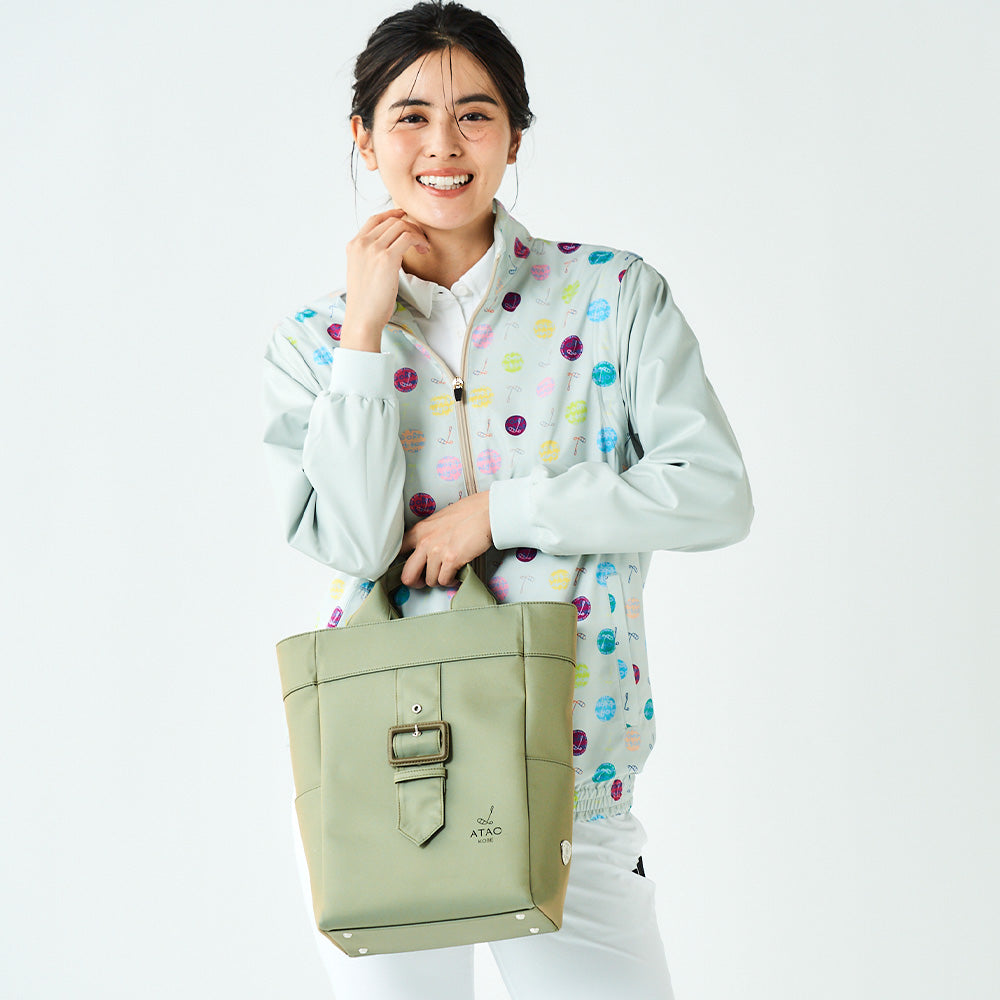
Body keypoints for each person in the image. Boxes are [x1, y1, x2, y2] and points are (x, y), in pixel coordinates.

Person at [260, 2, 754, 997]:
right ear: (363, 138)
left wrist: (502, 512)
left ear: (514, 136)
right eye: (409, 116)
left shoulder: (612, 297)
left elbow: (712, 494)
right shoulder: (314, 342)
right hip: (377, 780)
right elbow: (352, 543)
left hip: (571, 779)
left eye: (474, 115)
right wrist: (365, 334)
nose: (443, 145)